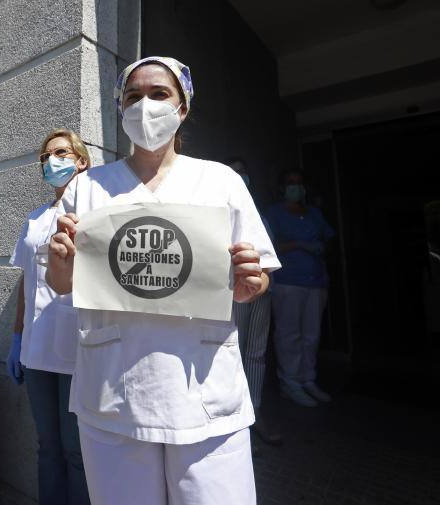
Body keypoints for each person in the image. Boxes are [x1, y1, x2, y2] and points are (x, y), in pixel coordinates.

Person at [46, 57, 280, 505]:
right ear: (120, 109)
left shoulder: (221, 181)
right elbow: (61, 283)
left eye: (159, 94)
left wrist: (253, 283)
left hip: (203, 391)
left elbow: (257, 276)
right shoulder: (88, 187)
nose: (145, 106)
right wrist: (61, 259)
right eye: (133, 97)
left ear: (183, 107)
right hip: (114, 391)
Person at [8, 129, 91, 505]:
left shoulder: (96, 213)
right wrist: (16, 337)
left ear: (81, 161)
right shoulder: (35, 218)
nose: (51, 161)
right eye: (45, 156)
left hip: (79, 348)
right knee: (47, 446)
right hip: (37, 347)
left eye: (60, 152)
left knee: (77, 452)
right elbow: (27, 281)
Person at [266, 171, 335, 408]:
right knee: (289, 335)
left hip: (316, 282)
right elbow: (268, 246)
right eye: (290, 183)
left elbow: (327, 238)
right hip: (288, 282)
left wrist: (319, 247)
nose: (296, 187)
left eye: (300, 183)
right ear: (282, 188)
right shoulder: (274, 214)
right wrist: (298, 244)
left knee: (311, 335)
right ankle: (290, 382)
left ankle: (308, 379)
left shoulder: (314, 213)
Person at [226, 159, 281, 450]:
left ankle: (255, 413)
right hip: (234, 293)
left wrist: (263, 283)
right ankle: (238, 420)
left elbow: (269, 258)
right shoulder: (221, 205)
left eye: (243, 170)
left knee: (256, 352)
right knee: (237, 347)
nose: (239, 175)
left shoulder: (258, 212)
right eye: (233, 170)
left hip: (262, 292)